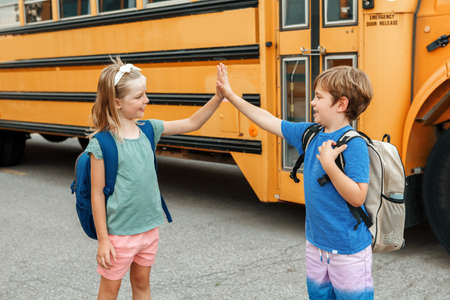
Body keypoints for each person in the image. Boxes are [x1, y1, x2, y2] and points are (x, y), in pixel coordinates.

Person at [216, 63, 374, 299]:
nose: (312, 102)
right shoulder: (310, 134)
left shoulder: (354, 144)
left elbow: (358, 195)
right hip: (316, 246)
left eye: (319, 97)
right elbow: (267, 119)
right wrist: (230, 95)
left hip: (348, 251)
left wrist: (330, 166)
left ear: (341, 104)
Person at [86, 58, 224, 300]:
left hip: (149, 230)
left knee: (142, 285)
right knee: (110, 292)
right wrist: (103, 240)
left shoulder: (149, 129)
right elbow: (97, 194)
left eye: (145, 94)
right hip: (119, 234)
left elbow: (192, 123)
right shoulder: (102, 143)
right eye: (139, 96)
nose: (146, 100)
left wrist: (219, 96)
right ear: (117, 103)